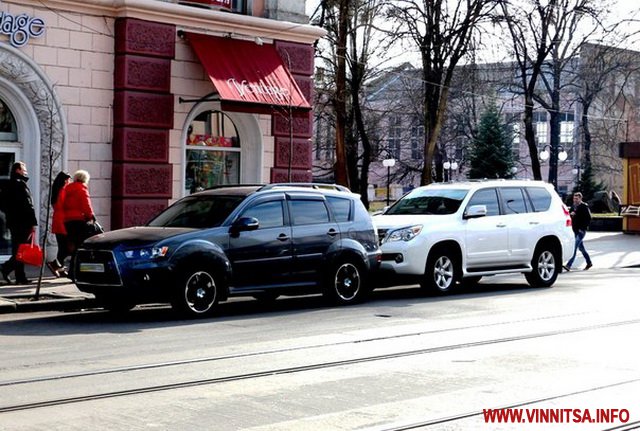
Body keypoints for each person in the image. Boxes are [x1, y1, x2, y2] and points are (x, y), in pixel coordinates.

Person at [0, 161, 38, 284]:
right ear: (18, 170)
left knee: (18, 249)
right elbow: (28, 206)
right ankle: (6, 268)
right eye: (23, 169)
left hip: (13, 222)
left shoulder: (8, 185)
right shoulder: (21, 185)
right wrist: (33, 222)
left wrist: (10, 215)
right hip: (23, 223)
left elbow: (3, 204)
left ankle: (20, 276)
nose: (25, 171)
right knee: (22, 250)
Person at [63, 170, 97, 278]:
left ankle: (71, 271)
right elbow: (86, 205)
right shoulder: (82, 189)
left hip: (68, 221)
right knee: (79, 247)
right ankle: (74, 272)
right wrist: (91, 216)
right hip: (78, 221)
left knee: (73, 246)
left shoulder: (67, 189)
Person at [47, 171, 71, 278]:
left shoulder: (56, 190)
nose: (69, 181)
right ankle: (55, 264)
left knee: (62, 247)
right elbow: (65, 205)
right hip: (63, 221)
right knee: (65, 248)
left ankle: (60, 268)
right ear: (64, 180)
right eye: (68, 179)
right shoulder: (63, 190)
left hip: (58, 220)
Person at [563, 192, 593, 271]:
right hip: (574, 230)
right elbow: (570, 215)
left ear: (580, 199)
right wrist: (571, 214)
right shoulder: (573, 206)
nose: (575, 200)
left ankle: (569, 265)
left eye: (577, 198)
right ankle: (589, 262)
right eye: (574, 198)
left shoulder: (584, 206)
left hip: (581, 231)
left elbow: (589, 218)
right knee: (581, 249)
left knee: (574, 248)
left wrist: (583, 228)